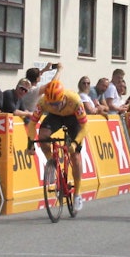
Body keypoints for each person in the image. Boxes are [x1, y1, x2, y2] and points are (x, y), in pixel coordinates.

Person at [26, 80, 87, 211]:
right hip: (55, 118)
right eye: (51, 103)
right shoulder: (43, 102)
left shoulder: (75, 100)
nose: (54, 105)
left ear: (63, 98)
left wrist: (75, 142)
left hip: (73, 118)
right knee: (42, 135)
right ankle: (52, 162)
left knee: (75, 156)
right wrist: (30, 143)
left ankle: (77, 193)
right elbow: (32, 124)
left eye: (57, 103)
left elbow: (84, 127)